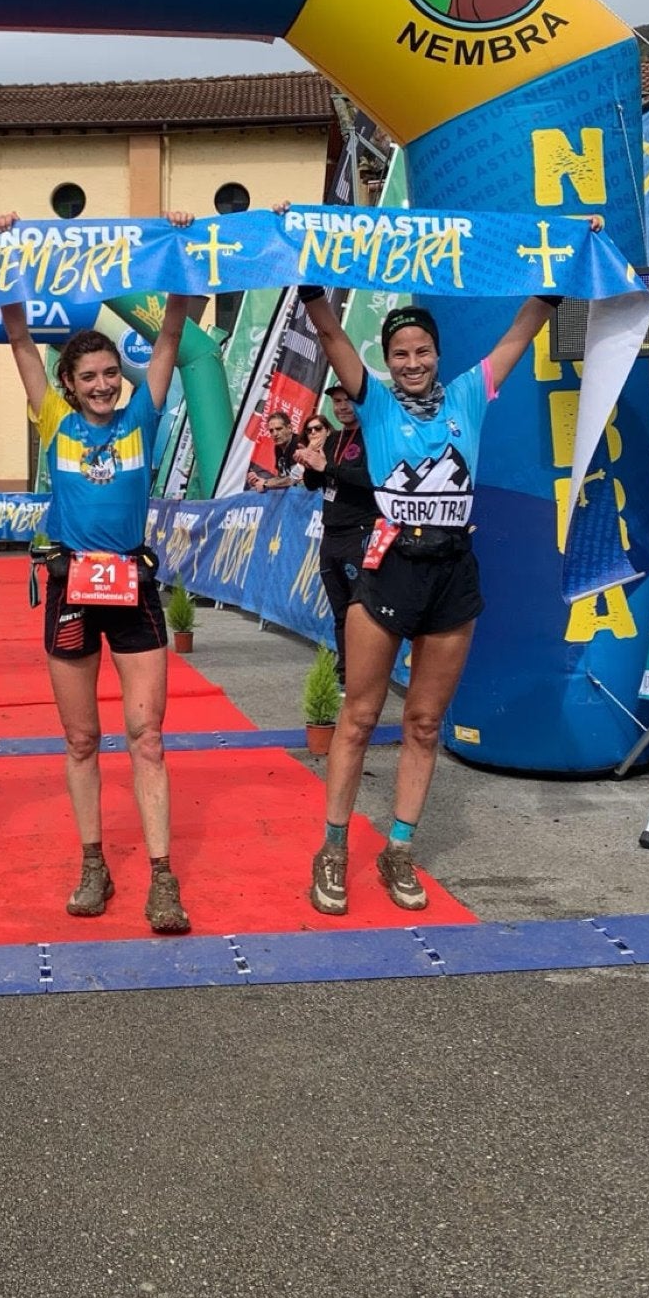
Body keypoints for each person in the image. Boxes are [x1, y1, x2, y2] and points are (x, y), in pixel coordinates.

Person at [295, 281, 573, 917]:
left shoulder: (471, 394)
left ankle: (399, 847)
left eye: (422, 352)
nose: (412, 363)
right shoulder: (374, 403)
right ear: (386, 360)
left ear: (437, 355)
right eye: (400, 354)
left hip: (452, 575)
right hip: (388, 571)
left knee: (423, 723)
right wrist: (308, 282)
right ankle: (334, 849)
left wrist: (558, 270)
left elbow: (519, 333)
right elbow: (333, 337)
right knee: (360, 717)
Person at [0, 208, 195, 934]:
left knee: (147, 735)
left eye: (112, 372)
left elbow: (172, 332)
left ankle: (163, 879)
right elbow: (17, 334)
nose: (105, 384)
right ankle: (93, 864)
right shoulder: (54, 420)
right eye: (91, 377)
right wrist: (7, 245)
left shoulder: (143, 414)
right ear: (69, 387)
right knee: (82, 740)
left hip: (134, 588)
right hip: (71, 590)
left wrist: (177, 248)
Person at [295, 389, 377, 692]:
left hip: (360, 532)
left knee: (363, 611)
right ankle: (346, 675)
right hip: (330, 535)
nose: (342, 407)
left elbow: (370, 480)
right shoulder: (331, 439)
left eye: (348, 401)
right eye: (337, 402)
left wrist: (327, 467)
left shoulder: (372, 437)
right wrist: (308, 463)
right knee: (340, 611)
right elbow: (314, 484)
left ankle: (366, 678)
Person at [246, 410, 302, 491]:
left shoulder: (297, 443)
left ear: (290, 428)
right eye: (271, 430)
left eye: (279, 429)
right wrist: (260, 481)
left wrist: (266, 483)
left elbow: (294, 478)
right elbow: (281, 478)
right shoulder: (278, 448)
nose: (275, 434)